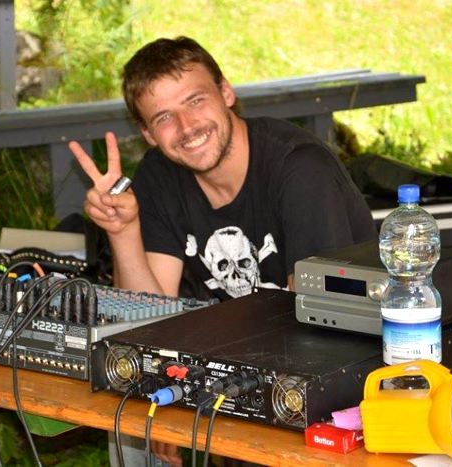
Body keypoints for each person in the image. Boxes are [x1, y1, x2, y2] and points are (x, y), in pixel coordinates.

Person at [69, 36, 377, 465]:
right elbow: (148, 316)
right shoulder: (159, 176)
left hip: (338, 375)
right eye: (163, 117)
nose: (186, 127)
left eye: (195, 100)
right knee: (133, 425)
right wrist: (123, 232)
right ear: (148, 135)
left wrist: (196, 393)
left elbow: (317, 329)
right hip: (235, 374)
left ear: (226, 93)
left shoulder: (300, 169)